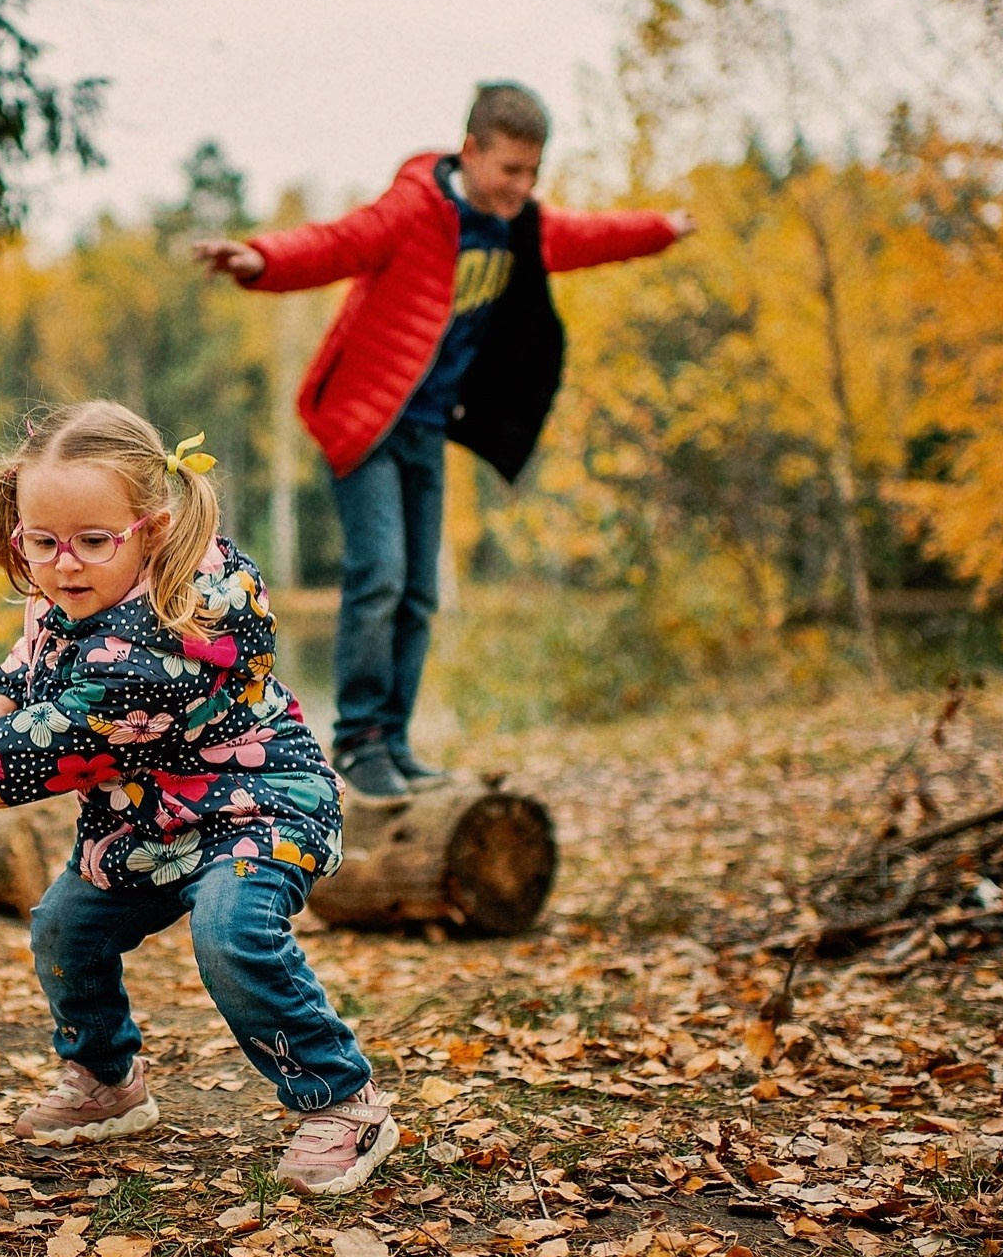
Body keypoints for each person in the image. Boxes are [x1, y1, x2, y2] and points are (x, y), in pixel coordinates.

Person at [0, 401, 399, 1196]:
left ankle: (344, 1101)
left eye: (93, 542)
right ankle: (107, 1080)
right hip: (142, 822)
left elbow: (51, 743)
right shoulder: (67, 599)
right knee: (66, 928)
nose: (65, 565)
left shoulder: (174, 629)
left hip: (255, 807)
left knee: (230, 933)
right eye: (42, 543)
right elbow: (21, 682)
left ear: (153, 530)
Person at [195, 82, 694, 799]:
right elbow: (338, 243)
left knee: (421, 592)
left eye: (532, 173)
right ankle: (360, 739)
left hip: (428, 427)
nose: (521, 187)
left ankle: (394, 739)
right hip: (365, 421)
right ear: (472, 151)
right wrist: (261, 260)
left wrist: (660, 229)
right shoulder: (416, 208)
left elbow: (587, 236)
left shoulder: (518, 225)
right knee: (382, 577)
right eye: (509, 170)